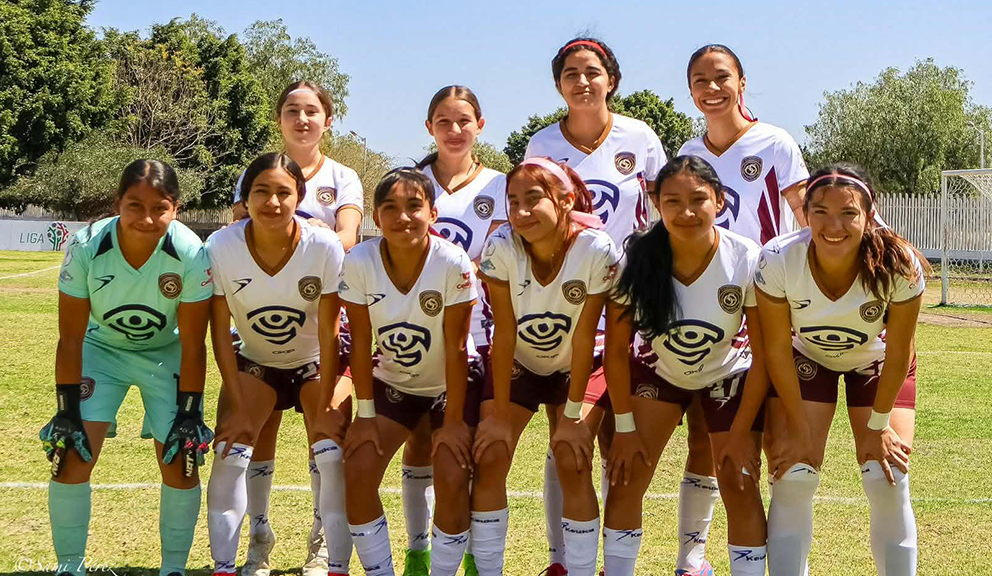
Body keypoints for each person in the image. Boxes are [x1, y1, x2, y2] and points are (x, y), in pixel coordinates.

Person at [523, 36, 666, 575]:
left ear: (612, 79)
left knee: (617, 436)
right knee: (566, 432)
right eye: (571, 74)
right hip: (570, 305)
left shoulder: (640, 137)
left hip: (630, 305)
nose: (582, 82)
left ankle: (615, 563)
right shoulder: (541, 143)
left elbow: (663, 214)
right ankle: (562, 560)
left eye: (592, 72)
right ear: (558, 84)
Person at [674, 43, 811, 575]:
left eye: (721, 77)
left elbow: (805, 214)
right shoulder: (689, 151)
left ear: (742, 81)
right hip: (711, 313)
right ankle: (693, 561)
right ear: (690, 89)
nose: (711, 89)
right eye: (700, 80)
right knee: (705, 439)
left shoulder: (774, 142)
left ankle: (783, 565)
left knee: (776, 446)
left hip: (770, 308)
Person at [41, 159, 213, 576]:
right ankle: (70, 567)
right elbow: (71, 338)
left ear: (176, 208)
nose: (147, 218)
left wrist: (189, 414)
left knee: (180, 458)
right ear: (118, 202)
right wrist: (67, 410)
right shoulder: (86, 246)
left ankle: (173, 568)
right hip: (101, 350)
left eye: (160, 208)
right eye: (135, 205)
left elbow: (193, 344)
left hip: (166, 353)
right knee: (72, 453)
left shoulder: (191, 252)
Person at [755, 163, 927, 576]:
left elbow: (900, 351)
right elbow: (776, 349)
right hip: (806, 358)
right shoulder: (778, 259)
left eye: (848, 213)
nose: (834, 226)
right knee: (793, 475)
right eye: (821, 212)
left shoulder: (899, 263)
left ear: (869, 215)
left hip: (876, 361)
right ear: (805, 213)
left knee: (886, 477)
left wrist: (879, 425)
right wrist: (797, 426)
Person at [600, 155, 768, 576]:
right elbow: (616, 351)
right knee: (626, 476)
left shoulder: (745, 257)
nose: (686, 212)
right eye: (673, 201)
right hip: (659, 373)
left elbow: (765, 354)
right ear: (657, 203)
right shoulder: (635, 259)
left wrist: (742, 432)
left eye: (698, 200)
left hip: (727, 373)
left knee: (739, 478)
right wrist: (624, 429)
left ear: (720, 200)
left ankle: (691, 565)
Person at [232, 80, 364, 576]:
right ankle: (258, 540)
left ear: (327, 120)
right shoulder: (256, 171)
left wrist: (308, 241)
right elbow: (238, 232)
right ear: (280, 119)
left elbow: (347, 236)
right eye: (292, 110)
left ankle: (322, 543)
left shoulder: (343, 176)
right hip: (262, 327)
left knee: (325, 436)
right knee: (255, 433)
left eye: (312, 111)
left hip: (321, 327)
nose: (302, 119)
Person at [471, 158, 619, 576]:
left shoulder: (596, 248)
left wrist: (571, 418)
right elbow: (503, 332)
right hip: (520, 360)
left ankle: (580, 570)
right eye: (513, 201)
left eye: (533, 199)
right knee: (491, 455)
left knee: (572, 457)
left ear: (566, 201)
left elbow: (586, 336)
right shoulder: (500, 246)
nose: (521, 212)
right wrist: (499, 415)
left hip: (580, 361)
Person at [205, 152, 350, 576]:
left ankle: (324, 548)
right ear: (245, 199)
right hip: (256, 361)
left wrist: (328, 399)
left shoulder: (322, 245)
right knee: (231, 448)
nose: (272, 202)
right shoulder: (221, 247)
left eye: (283, 192)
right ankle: (255, 541)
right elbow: (220, 333)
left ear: (299, 197)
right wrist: (235, 403)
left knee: (331, 447)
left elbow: (330, 333)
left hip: (314, 362)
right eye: (261, 191)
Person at [339, 168, 480, 576]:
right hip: (394, 382)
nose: (403, 216)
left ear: (433, 213)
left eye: (414, 206)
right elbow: (360, 344)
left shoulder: (451, 261)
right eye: (390, 207)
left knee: (452, 473)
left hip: (451, 385)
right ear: (375, 216)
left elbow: (456, 347)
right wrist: (365, 417)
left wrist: (453, 421)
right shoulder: (359, 261)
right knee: (358, 469)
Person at [406, 84, 507, 575]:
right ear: (429, 127)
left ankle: (471, 554)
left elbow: (502, 259)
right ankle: (418, 551)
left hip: (482, 333)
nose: (454, 130)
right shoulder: (411, 182)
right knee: (420, 443)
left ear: (479, 126)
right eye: (443, 121)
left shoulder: (500, 185)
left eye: (463, 121)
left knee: (469, 450)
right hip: (417, 330)